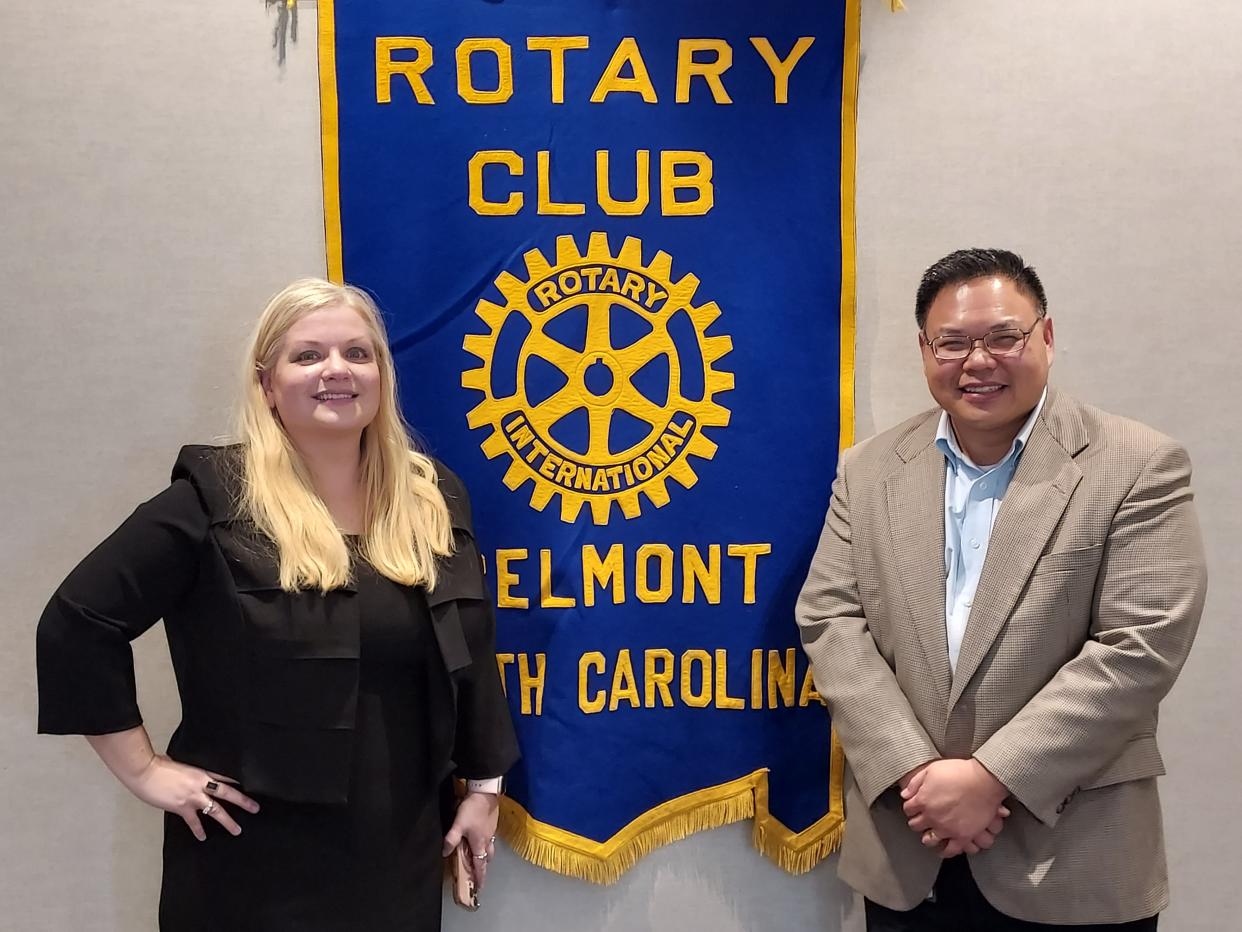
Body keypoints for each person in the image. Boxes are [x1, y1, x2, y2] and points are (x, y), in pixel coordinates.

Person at [36, 278, 519, 931]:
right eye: (307, 355)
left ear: (382, 374)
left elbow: (472, 645)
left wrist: (485, 786)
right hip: (251, 862)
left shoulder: (432, 497)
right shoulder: (214, 499)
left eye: (357, 353)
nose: (336, 370)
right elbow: (79, 621)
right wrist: (145, 771)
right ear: (266, 384)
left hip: (396, 851)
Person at [796, 249, 1207, 930]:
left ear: (1046, 336)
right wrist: (915, 774)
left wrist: (990, 778)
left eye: (1002, 337)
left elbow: (1140, 646)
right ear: (925, 351)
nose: (976, 360)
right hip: (910, 848)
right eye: (952, 342)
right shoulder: (867, 470)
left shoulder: (1138, 465)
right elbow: (830, 617)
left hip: (1072, 856)